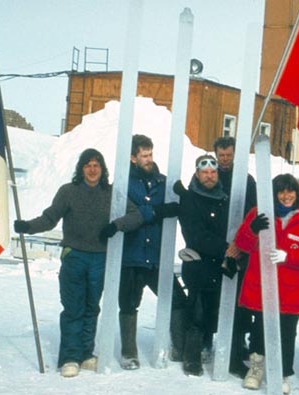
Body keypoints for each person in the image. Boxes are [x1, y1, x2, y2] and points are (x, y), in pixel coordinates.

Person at [13, 148, 143, 378]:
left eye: (96, 165)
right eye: (87, 165)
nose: (92, 169)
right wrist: (27, 226)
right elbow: (49, 218)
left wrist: (116, 225)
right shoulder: (68, 192)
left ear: (102, 169)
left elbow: (137, 215)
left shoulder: (112, 193)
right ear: (81, 169)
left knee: (92, 307)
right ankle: (70, 357)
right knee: (74, 308)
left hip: (99, 258)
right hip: (74, 256)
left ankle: (85, 354)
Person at [234, 174, 299, 394]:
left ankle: (282, 372)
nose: (286, 196)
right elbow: (242, 244)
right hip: (262, 284)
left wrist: (288, 257)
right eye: (281, 191)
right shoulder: (258, 213)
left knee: (287, 331)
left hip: (291, 288)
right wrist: (252, 229)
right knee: (259, 328)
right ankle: (256, 368)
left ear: (297, 193)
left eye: (290, 191)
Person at [116, 134, 189, 370]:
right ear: (132, 157)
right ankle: (129, 353)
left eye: (150, 154)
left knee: (177, 300)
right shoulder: (122, 183)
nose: (149, 159)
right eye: (144, 155)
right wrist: (158, 211)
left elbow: (184, 207)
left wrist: (184, 194)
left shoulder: (163, 183)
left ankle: (179, 346)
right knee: (128, 304)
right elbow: (131, 215)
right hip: (131, 257)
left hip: (157, 258)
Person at [174, 154, 242, 376]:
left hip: (221, 262)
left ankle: (211, 346)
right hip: (199, 261)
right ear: (197, 174)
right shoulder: (190, 199)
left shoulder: (224, 197)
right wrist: (226, 248)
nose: (210, 176)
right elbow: (195, 234)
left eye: (213, 172)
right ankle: (191, 355)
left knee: (217, 308)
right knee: (198, 309)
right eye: (205, 172)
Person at [213, 136, 258, 378]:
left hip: (241, 248)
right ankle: (221, 349)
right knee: (219, 302)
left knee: (241, 303)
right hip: (216, 247)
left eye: (229, 155)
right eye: (221, 155)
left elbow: (252, 214)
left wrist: (241, 243)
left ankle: (237, 348)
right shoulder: (211, 176)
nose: (225, 159)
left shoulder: (247, 181)